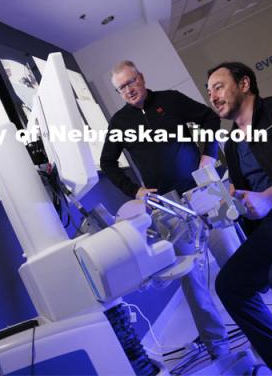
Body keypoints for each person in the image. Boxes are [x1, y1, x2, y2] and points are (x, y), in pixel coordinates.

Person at [101, 60, 238, 358]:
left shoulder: (170, 100)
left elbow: (209, 119)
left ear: (142, 77)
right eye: (122, 87)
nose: (129, 90)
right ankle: (218, 344)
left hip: (203, 188)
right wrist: (134, 190)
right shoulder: (119, 122)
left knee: (232, 255)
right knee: (192, 278)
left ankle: (254, 315)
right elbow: (107, 164)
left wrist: (208, 155)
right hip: (167, 205)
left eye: (131, 82)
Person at [207, 61, 272, 374]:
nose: (213, 96)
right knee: (230, 285)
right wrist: (219, 205)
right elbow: (244, 191)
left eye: (219, 87)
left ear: (244, 84)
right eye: (209, 92)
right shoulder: (231, 143)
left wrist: (268, 198)